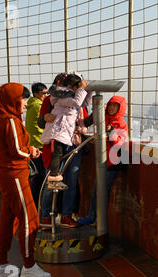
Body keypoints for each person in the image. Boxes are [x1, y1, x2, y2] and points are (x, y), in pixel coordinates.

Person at [0, 83, 51, 277]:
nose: (25, 104)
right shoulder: (10, 120)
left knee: (9, 219)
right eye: (23, 99)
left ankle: (1, 265)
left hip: (10, 175)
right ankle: (29, 266)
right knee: (30, 218)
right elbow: (17, 150)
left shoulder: (5, 118)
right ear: (13, 100)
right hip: (15, 174)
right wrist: (32, 152)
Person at [39, 73, 93, 228]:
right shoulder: (56, 99)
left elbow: (82, 109)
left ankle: (66, 215)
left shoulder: (78, 100)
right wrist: (44, 118)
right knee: (52, 178)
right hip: (58, 140)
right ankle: (45, 216)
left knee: (71, 182)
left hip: (74, 142)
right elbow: (40, 120)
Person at [78, 95, 128, 226]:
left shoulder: (122, 124)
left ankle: (98, 220)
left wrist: (111, 133)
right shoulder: (102, 119)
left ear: (120, 108)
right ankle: (92, 217)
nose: (111, 108)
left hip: (113, 163)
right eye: (110, 105)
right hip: (102, 162)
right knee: (97, 191)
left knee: (103, 191)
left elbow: (119, 142)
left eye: (115, 106)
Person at [41, 74, 88, 190]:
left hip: (66, 135)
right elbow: (77, 103)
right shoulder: (62, 95)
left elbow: (83, 104)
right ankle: (53, 180)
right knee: (56, 156)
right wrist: (82, 90)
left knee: (69, 179)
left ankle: (55, 182)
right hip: (58, 131)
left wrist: (89, 91)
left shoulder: (72, 97)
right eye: (79, 87)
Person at [25, 82, 48, 207]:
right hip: (39, 143)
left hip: (33, 142)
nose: (46, 95)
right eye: (44, 93)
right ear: (36, 94)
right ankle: (38, 204)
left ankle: (34, 203)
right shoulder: (38, 105)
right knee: (43, 177)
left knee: (38, 176)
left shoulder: (30, 104)